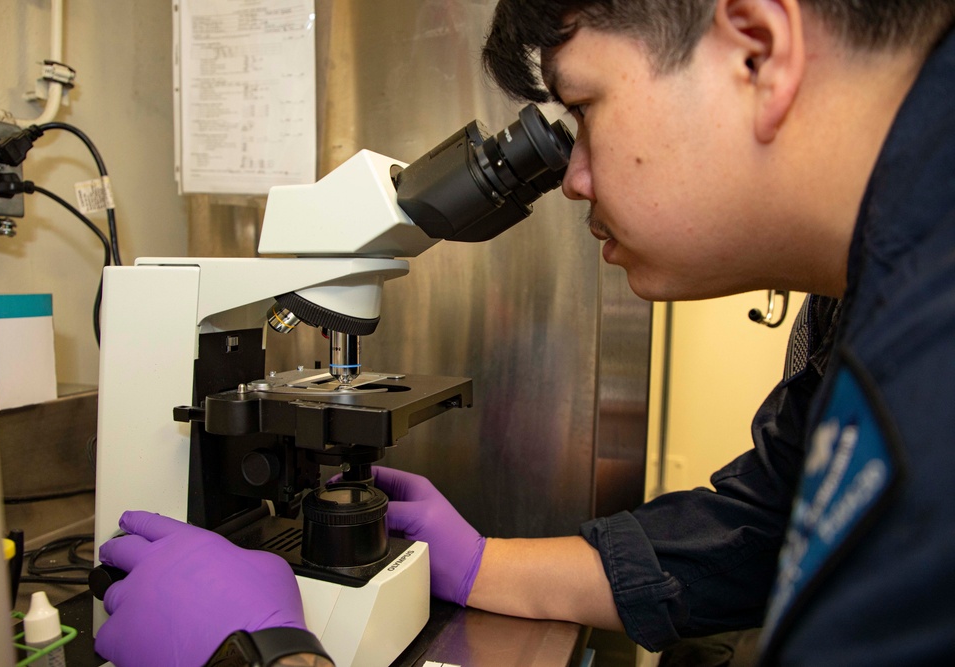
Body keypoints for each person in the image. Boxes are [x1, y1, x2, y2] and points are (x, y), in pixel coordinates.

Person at [96, 0, 955, 665]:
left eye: (583, 107)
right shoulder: (870, 292)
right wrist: (481, 565)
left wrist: (258, 654)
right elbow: (759, 533)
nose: (574, 178)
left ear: (757, 54)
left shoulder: (929, 358)